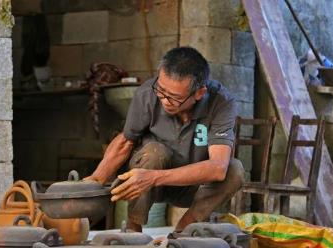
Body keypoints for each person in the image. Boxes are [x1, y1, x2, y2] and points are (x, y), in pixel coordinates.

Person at [86, 46, 244, 232]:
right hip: (147, 183)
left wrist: (153, 178)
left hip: (192, 185)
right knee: (155, 152)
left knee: (235, 170)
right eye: (161, 91)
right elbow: (124, 142)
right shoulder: (147, 94)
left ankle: (184, 228)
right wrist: (94, 181)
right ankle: (133, 228)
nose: (164, 100)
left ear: (199, 93)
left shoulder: (221, 103)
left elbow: (218, 168)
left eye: (175, 97)